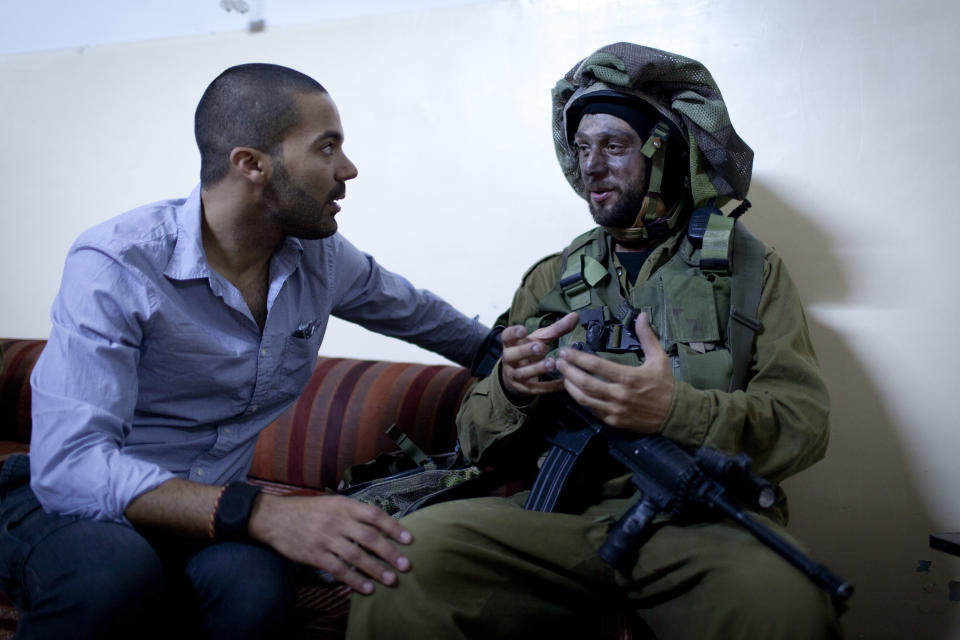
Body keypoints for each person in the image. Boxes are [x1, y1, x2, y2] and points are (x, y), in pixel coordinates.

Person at [346, 43, 843, 639]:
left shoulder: (747, 272)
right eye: (582, 148)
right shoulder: (553, 278)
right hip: (556, 522)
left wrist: (674, 411)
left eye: (613, 146)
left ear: (667, 153)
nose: (591, 166)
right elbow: (474, 440)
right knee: (407, 557)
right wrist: (511, 386)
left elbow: (803, 423)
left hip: (698, 523)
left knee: (788, 606)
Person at [0, 63, 489, 639]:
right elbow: (71, 466)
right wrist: (256, 512)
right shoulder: (118, 263)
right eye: (327, 147)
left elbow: (418, 313)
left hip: (205, 513)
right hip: (72, 505)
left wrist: (502, 351)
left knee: (254, 591)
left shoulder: (319, 258)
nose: (348, 169)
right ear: (252, 164)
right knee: (112, 574)